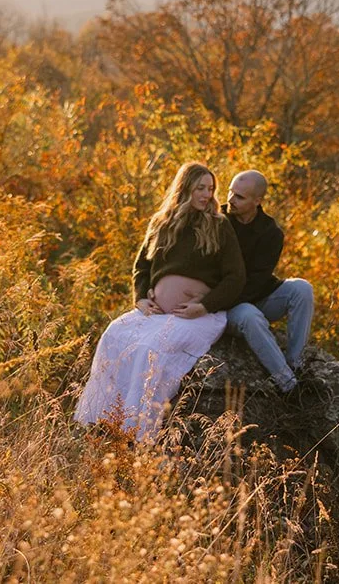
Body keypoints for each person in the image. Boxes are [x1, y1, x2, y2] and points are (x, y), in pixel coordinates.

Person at [74, 161, 245, 439]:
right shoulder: (161, 222)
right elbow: (141, 267)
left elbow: (235, 278)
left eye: (210, 189)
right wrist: (141, 299)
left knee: (150, 350)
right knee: (113, 335)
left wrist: (203, 305)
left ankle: (136, 430)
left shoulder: (219, 225)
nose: (206, 194)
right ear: (184, 188)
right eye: (200, 188)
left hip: (198, 315)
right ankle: (103, 420)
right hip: (156, 312)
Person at [223, 170, 314, 394]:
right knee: (250, 316)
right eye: (230, 192)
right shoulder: (218, 221)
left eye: (239, 197)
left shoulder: (270, 232)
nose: (230, 200)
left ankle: (296, 364)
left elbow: (258, 281)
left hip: (254, 296)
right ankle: (288, 384)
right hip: (224, 304)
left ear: (257, 201)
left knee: (302, 288)